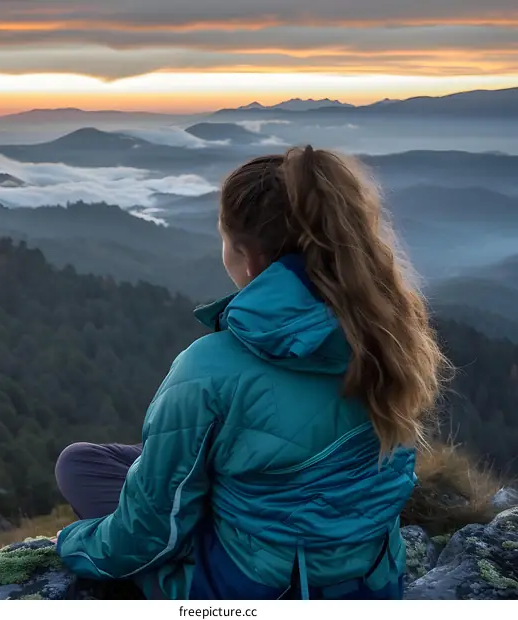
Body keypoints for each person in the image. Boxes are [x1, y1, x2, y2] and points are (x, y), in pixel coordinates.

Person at [54, 146, 446, 600]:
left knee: (78, 465)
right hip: (374, 578)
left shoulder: (208, 368)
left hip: (260, 589)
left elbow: (144, 537)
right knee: (113, 460)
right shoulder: (391, 334)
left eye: (224, 238)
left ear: (251, 260)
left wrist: (69, 543)